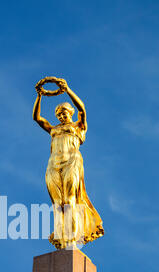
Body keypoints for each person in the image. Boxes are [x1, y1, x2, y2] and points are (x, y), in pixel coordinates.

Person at [33, 78, 104, 249]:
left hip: (72, 161)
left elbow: (82, 109)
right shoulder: (53, 130)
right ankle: (62, 240)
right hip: (53, 164)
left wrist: (67, 90)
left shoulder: (79, 126)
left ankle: (72, 239)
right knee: (58, 204)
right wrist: (40, 96)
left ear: (70, 113)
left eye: (64, 113)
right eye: (58, 115)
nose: (61, 116)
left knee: (70, 200)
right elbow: (37, 118)